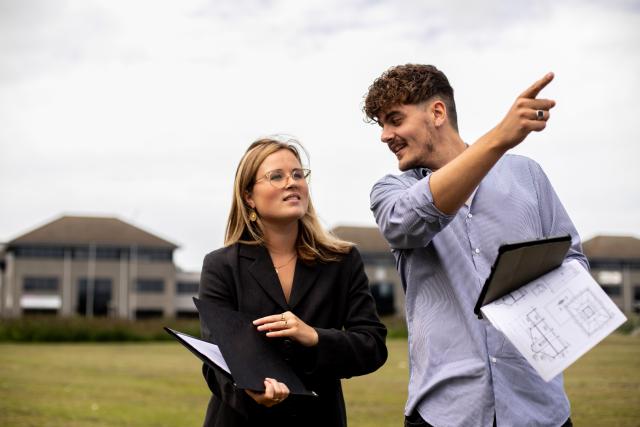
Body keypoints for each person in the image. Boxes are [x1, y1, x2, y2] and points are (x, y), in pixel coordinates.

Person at [364, 64, 588, 427]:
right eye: (381, 125)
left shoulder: (527, 175)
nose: (385, 135)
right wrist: (498, 137)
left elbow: (574, 260)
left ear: (437, 112)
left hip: (538, 408)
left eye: (394, 119)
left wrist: (536, 298)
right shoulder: (391, 191)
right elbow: (408, 223)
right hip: (445, 413)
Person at [198, 137, 388, 427]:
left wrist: (314, 337)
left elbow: (372, 346)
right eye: (277, 176)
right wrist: (250, 392)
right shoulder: (221, 266)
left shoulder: (343, 261)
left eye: (298, 174)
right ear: (249, 196)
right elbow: (215, 362)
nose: (292, 182)